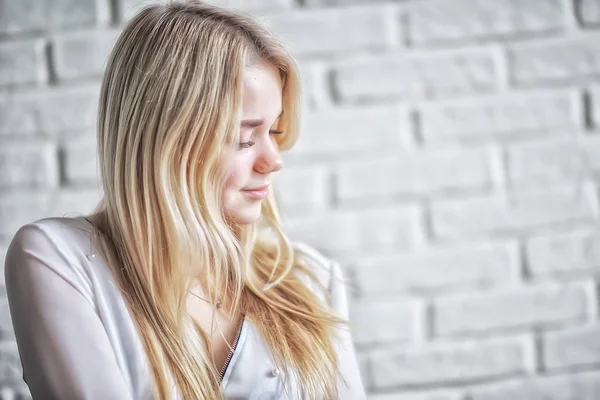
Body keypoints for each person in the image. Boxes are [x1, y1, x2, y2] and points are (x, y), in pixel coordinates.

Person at [3, 1, 366, 399]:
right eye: (244, 138)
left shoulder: (310, 281)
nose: (274, 161)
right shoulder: (60, 260)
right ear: (166, 142)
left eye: (275, 132)